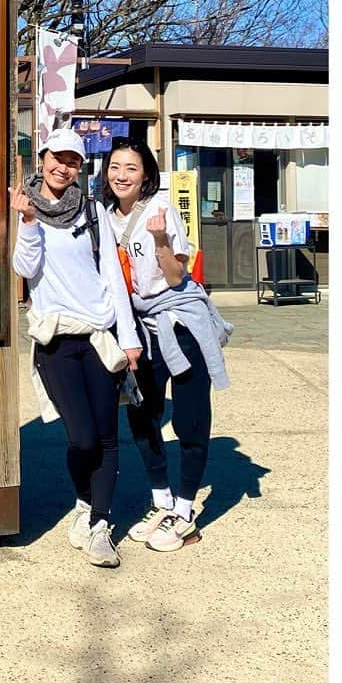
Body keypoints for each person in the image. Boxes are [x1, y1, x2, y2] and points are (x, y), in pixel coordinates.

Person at [9, 128, 142, 568]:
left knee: (106, 436)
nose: (62, 167)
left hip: (99, 336)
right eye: (56, 158)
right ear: (42, 156)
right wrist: (28, 222)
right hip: (56, 339)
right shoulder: (24, 207)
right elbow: (24, 268)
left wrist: (129, 339)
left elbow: (112, 277)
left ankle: (100, 523)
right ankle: (84, 503)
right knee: (81, 437)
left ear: (79, 167)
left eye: (71, 161)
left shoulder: (92, 211)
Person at [102, 140, 232, 553]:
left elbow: (177, 277)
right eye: (115, 166)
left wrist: (159, 239)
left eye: (131, 168)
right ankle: (161, 501)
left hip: (180, 321)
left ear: (146, 176)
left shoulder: (161, 211)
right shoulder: (105, 218)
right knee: (144, 415)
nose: (121, 175)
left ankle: (187, 511)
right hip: (139, 325)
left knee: (191, 418)